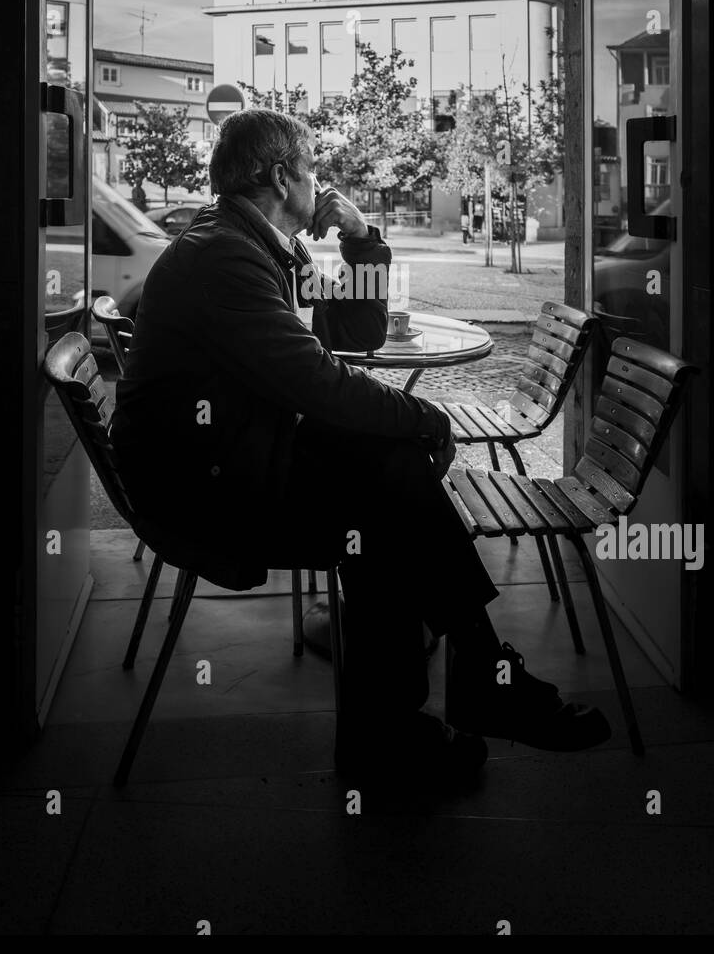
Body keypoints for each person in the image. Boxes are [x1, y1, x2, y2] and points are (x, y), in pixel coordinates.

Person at [111, 107, 609, 787]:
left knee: (385, 490)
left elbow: (352, 330)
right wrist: (426, 417)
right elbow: (318, 379)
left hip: (230, 457)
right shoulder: (227, 256)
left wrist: (363, 239)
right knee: (388, 496)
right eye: (313, 168)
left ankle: (414, 725)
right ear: (283, 177)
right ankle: (444, 703)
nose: (320, 182)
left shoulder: (249, 243)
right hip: (201, 490)